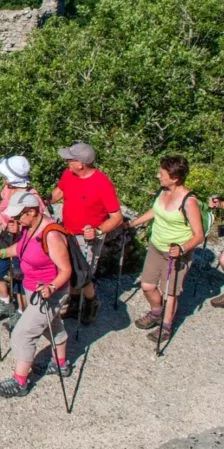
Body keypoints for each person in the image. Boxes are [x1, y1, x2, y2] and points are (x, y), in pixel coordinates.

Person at [0, 191, 72, 398]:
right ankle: (60, 364)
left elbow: (66, 270)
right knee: (52, 325)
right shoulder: (31, 228)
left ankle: (20, 382)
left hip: (48, 293)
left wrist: (51, 287)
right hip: (33, 288)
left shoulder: (51, 234)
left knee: (23, 333)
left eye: (19, 215)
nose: (15, 220)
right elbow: (21, 248)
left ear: (33, 211)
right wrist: (1, 253)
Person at [126, 157, 205, 342]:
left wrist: (182, 248)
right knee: (147, 286)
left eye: (162, 174)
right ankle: (156, 312)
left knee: (170, 292)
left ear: (175, 178)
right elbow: (156, 211)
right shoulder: (163, 191)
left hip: (176, 255)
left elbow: (199, 235)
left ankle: (166, 326)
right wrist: (132, 223)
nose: (158, 176)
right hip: (156, 247)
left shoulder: (189, 202)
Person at [48, 142, 123, 324]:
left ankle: (91, 303)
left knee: (83, 274)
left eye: (70, 159)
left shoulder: (102, 183)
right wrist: (44, 201)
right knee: (70, 270)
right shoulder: (69, 174)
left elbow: (117, 217)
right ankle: (75, 304)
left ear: (80, 164)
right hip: (67, 231)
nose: (66, 162)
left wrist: (98, 231)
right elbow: (59, 192)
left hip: (87, 237)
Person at [0, 156, 45, 328]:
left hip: (24, 240)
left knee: (19, 278)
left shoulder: (32, 198)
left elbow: (38, 223)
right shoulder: (8, 190)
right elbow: (4, 214)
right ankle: (5, 302)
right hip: (6, 237)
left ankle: (22, 311)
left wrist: (20, 228)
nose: (3, 178)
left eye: (5, 176)